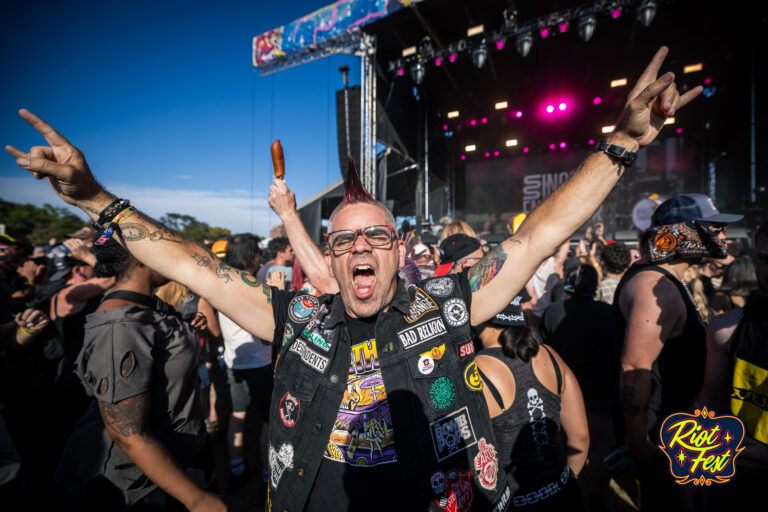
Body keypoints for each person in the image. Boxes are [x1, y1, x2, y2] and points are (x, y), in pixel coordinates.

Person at [7, 46, 699, 511]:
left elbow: (539, 234)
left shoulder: (449, 302)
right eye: (345, 239)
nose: (361, 246)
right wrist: (97, 197)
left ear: (398, 250)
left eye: (377, 234)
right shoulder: (294, 317)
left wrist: (626, 142)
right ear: (330, 257)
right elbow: (194, 266)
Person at [51, 239, 225, 511]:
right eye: (167, 249)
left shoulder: (148, 306)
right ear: (140, 258)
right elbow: (128, 433)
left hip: (175, 459)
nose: (175, 257)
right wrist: (197, 499)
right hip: (136, 486)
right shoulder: (120, 326)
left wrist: (184, 331)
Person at [614, 193, 742, 511]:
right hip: (663, 443)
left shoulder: (668, 280)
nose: (723, 235)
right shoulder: (654, 286)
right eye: (715, 227)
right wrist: (639, 443)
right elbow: (634, 367)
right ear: (684, 232)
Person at [475, 299, 589, 510]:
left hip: (512, 502)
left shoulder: (475, 371)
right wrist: (564, 481)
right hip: (564, 495)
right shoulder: (549, 355)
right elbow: (580, 438)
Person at [696, 221, 768, 508]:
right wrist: (695, 469)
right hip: (739, 479)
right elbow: (710, 400)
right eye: (765, 258)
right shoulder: (727, 328)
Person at [218, 234, 273, 493]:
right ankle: (266, 473)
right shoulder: (256, 285)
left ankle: (236, 468)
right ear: (253, 256)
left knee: (237, 416)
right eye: (259, 253)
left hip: (235, 361)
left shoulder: (221, 280)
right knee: (268, 421)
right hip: (259, 362)